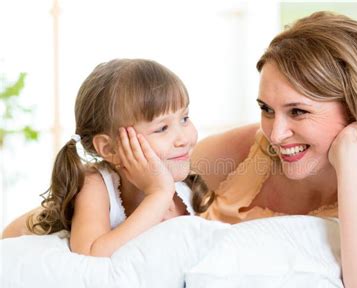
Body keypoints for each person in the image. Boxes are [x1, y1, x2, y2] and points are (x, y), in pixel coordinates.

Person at [191, 11, 357, 288]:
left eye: (298, 111)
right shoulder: (241, 151)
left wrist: (351, 155)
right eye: (267, 109)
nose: (275, 134)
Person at [2, 58, 212, 257]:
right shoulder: (95, 184)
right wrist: (158, 194)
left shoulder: (184, 187)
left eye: (184, 118)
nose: (183, 138)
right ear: (110, 149)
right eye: (162, 128)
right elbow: (91, 253)